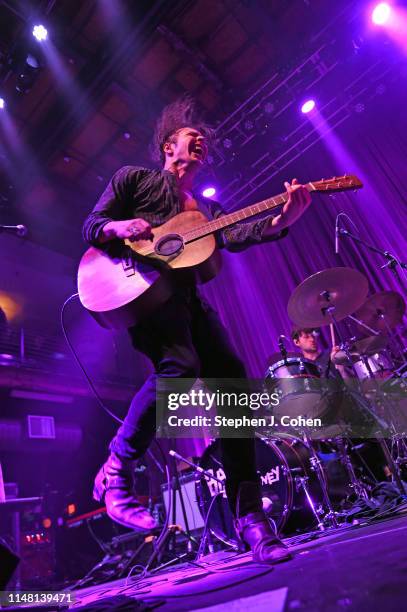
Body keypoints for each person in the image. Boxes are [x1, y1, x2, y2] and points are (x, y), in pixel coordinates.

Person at [82, 97, 312, 564]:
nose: (202, 141)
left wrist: (281, 220)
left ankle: (252, 519)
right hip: (142, 292)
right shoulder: (135, 179)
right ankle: (119, 466)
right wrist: (122, 225)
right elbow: (93, 225)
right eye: (192, 136)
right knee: (181, 365)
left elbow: (235, 236)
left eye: (205, 141)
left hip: (188, 302)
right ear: (169, 146)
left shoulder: (204, 208)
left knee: (232, 383)